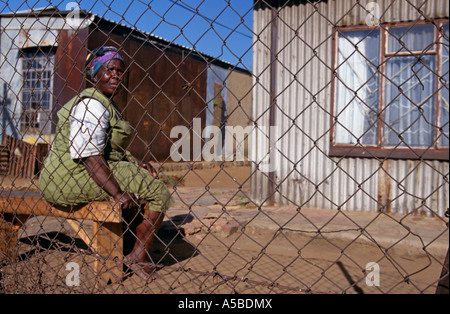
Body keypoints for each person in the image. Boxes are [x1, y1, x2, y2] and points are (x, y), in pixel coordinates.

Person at [38, 46, 174, 279]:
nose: (116, 75)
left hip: (79, 171)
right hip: (69, 175)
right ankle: (137, 258)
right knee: (158, 192)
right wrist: (117, 193)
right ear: (95, 74)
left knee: (144, 180)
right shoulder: (91, 105)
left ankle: (128, 247)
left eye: (120, 71)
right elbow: (90, 157)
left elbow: (109, 148)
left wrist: (135, 162)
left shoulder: (106, 104)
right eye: (109, 69)